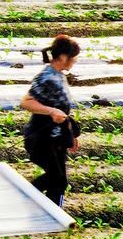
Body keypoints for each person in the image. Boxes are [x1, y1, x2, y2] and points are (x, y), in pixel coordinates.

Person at [18, 34, 81, 207]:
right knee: (57, 179)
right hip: (41, 139)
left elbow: (63, 110)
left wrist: (71, 135)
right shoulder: (46, 76)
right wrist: (51, 111)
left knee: (59, 182)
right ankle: (23, 197)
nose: (74, 61)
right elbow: (26, 102)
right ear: (63, 57)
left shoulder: (59, 75)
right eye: (73, 58)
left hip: (57, 137)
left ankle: (52, 216)